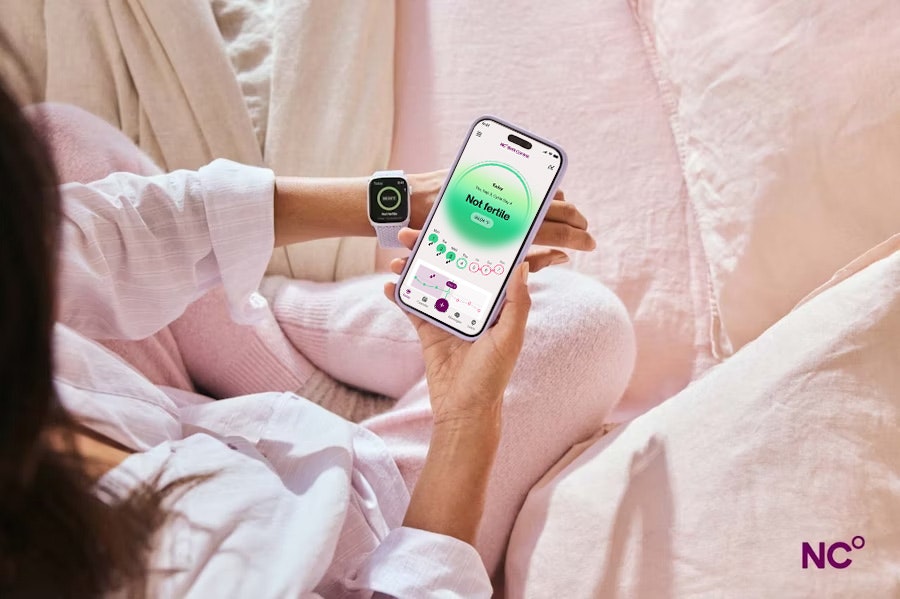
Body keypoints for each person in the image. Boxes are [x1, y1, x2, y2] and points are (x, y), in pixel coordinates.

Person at [0, 72, 635, 596]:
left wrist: (395, 201)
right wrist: (467, 421)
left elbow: (109, 231)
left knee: (58, 140)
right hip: (351, 544)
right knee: (582, 326)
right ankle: (266, 334)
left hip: (175, 416)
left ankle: (261, 327)